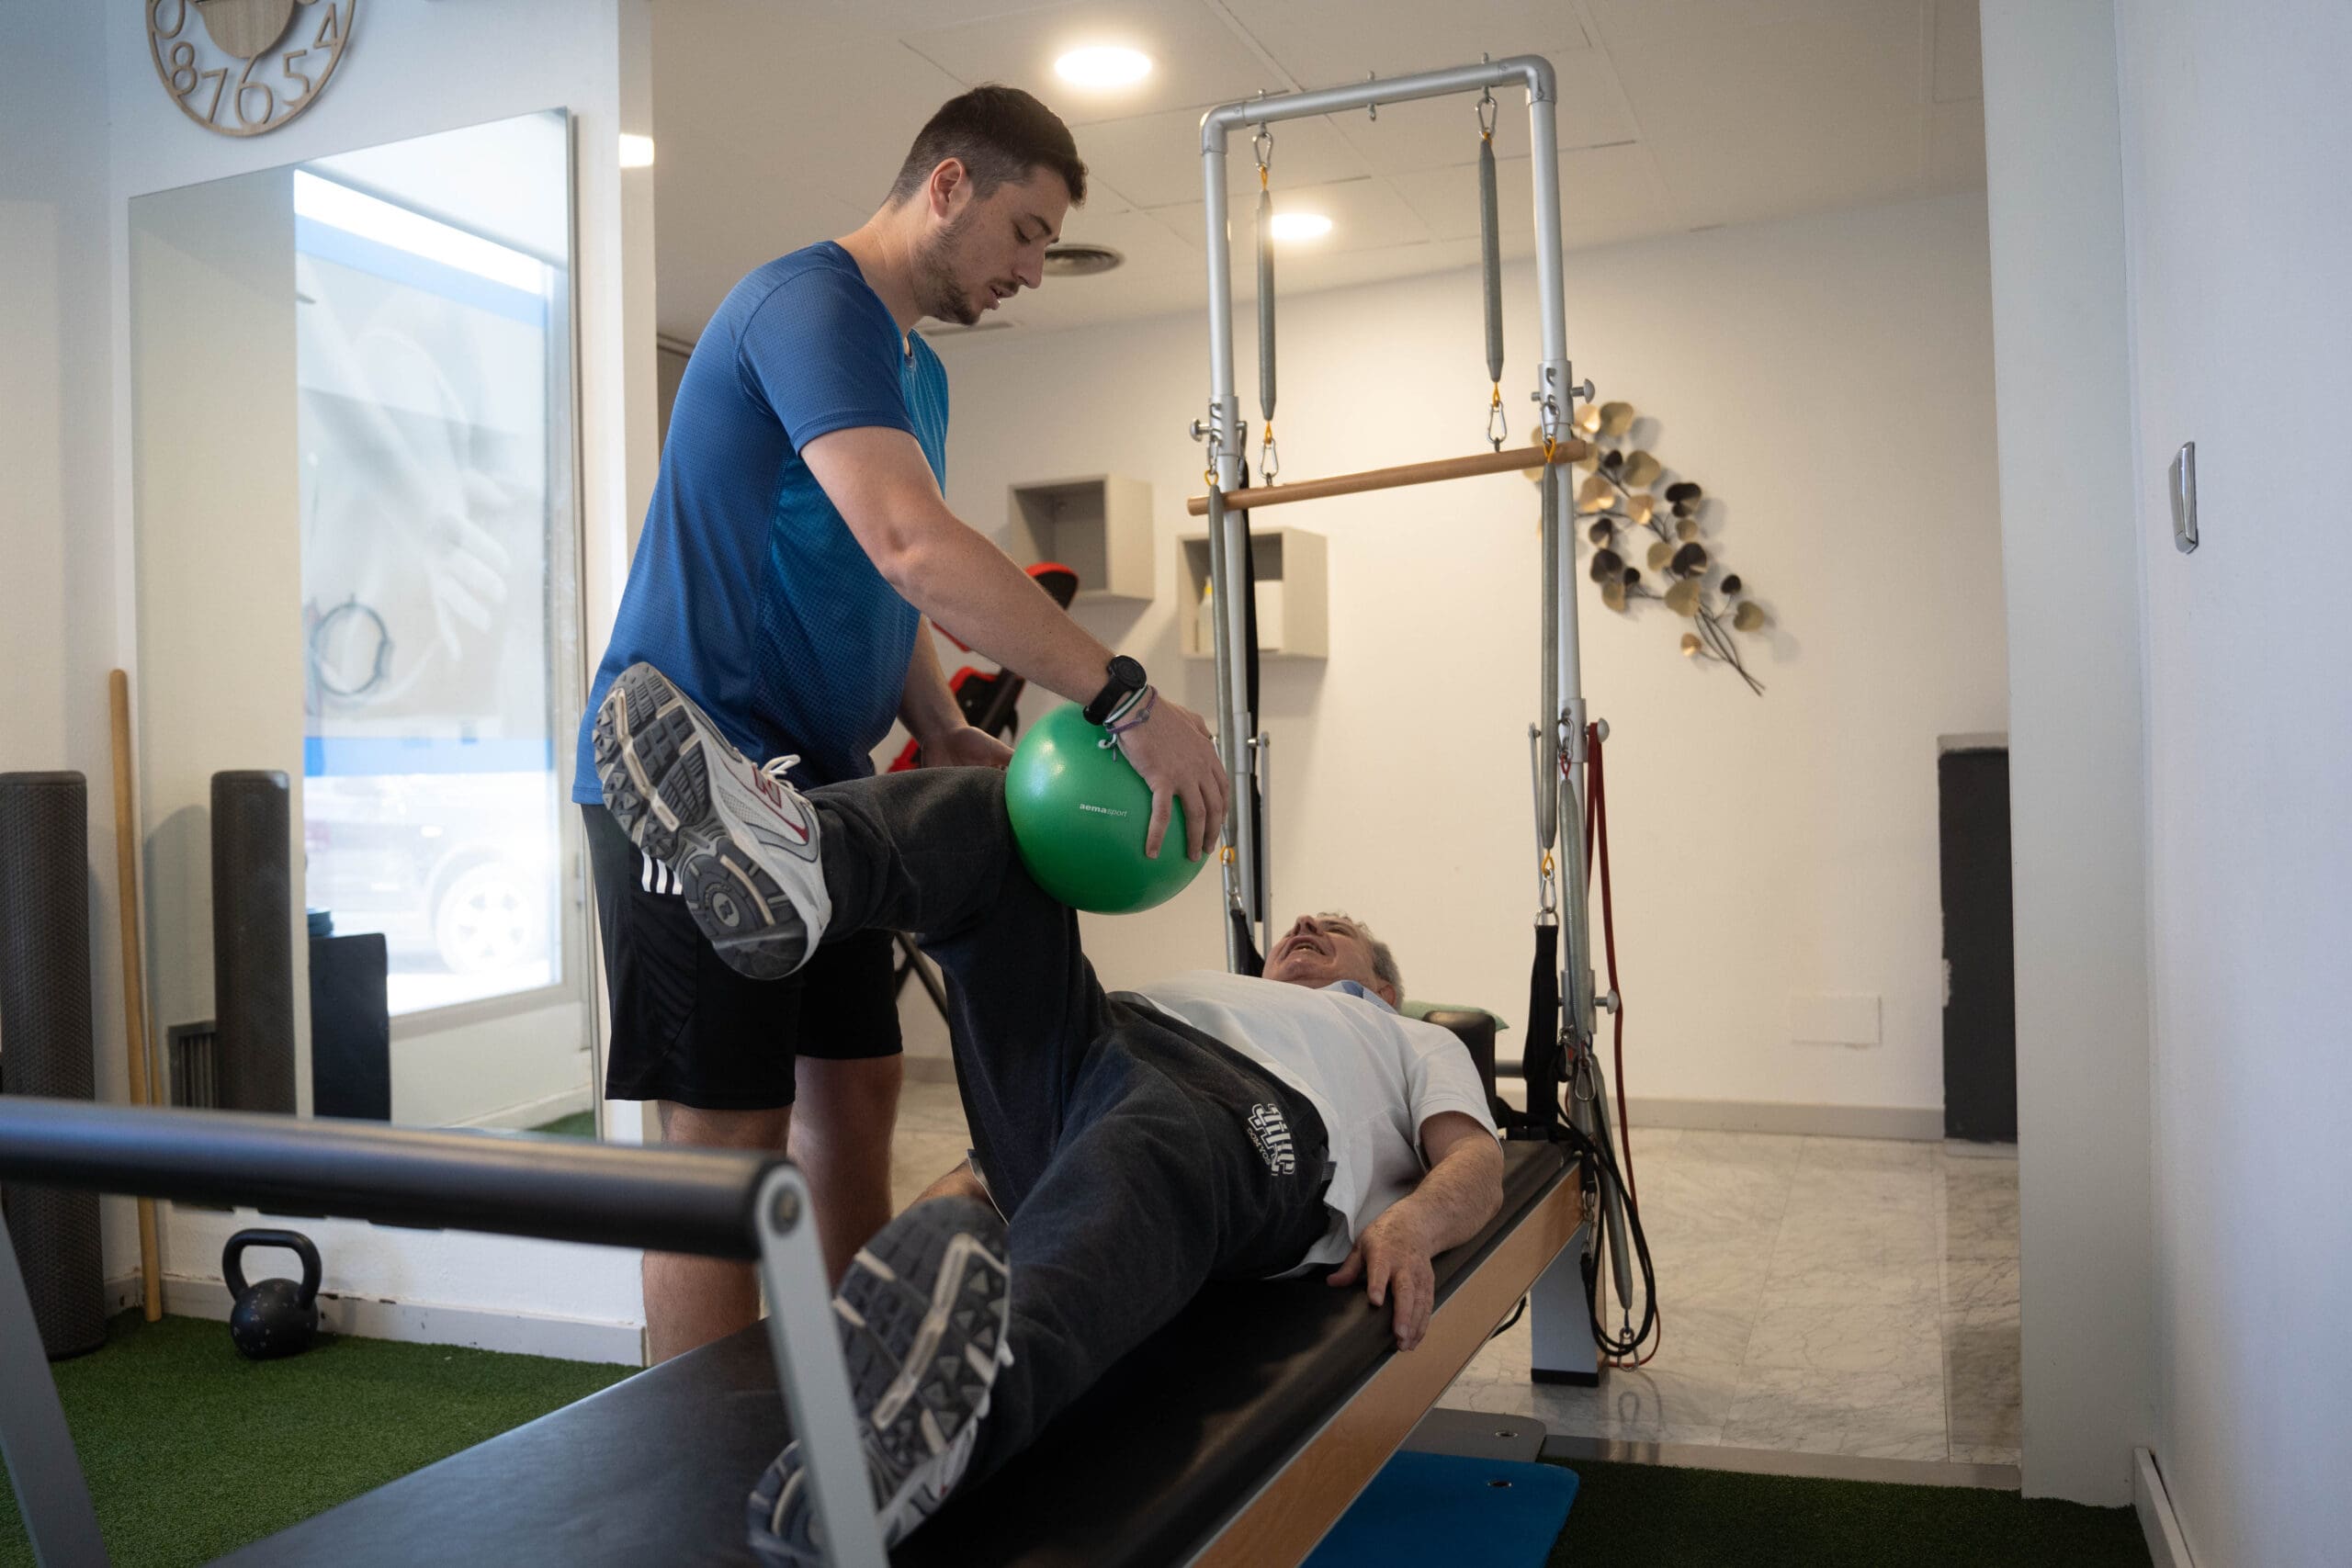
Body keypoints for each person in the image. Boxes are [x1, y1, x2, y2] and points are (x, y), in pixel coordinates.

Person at [573, 86, 1229, 1360]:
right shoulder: (806, 304)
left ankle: (856, 1402)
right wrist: (1126, 697)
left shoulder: (913, 368)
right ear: (946, 185)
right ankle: (703, 1458)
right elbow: (911, 542)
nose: (1031, 268)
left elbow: (879, 575)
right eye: (1026, 231)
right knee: (727, 1140)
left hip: (821, 793)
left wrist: (939, 719)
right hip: (692, 778)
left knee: (857, 1086)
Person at [589, 663, 1505, 1563]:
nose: (1307, 925)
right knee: (1002, 825)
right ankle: (801, 863)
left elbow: (1477, 1163)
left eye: (1336, 929)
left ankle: (940, 1427)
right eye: (1304, 924)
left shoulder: (1405, 1038)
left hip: (1243, 1113)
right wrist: (901, 1256)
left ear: (1383, 986)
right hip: (1104, 1037)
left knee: (1145, 1146)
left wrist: (1414, 1224)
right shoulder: (1224, 986)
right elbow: (1006, 1166)